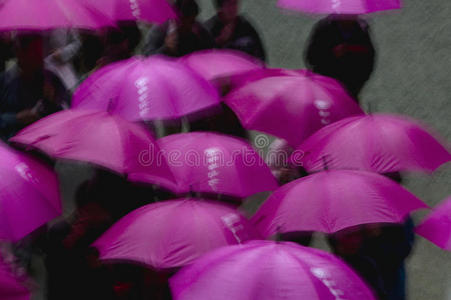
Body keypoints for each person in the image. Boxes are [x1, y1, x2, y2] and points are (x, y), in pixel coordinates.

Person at [0, 34, 69, 142]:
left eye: (41, 51)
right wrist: (16, 118)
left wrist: (53, 102)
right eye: (34, 52)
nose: (40, 57)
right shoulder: (5, 81)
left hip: (43, 147)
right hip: (12, 147)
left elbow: (65, 117)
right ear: (19, 52)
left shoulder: (51, 79)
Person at [304, 14, 375, 100]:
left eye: (353, 14)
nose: (350, 17)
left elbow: (369, 60)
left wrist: (357, 84)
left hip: (351, 90)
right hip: (325, 88)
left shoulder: (362, 30)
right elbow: (311, 57)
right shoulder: (324, 28)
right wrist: (331, 54)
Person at [143, 0, 213, 57]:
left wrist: (201, 40)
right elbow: (147, 57)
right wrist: (166, 48)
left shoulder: (199, 30)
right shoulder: (160, 29)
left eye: (191, 22)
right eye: (181, 22)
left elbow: (210, 52)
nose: (186, 26)